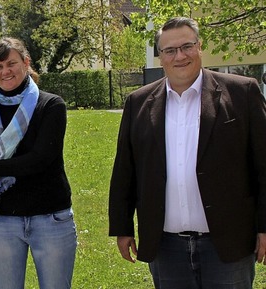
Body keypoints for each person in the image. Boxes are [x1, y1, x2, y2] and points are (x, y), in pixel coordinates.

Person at [109, 17, 266, 288]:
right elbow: (125, 169)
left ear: (200, 47)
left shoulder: (242, 92)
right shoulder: (138, 102)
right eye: (169, 50)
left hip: (228, 244)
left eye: (187, 46)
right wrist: (122, 227)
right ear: (160, 57)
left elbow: (264, 165)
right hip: (166, 247)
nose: (179, 56)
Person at [0, 37, 77, 289]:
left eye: (11, 64)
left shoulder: (50, 106)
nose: (5, 72)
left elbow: (39, 160)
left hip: (50, 218)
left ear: (26, 62)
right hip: (1, 221)